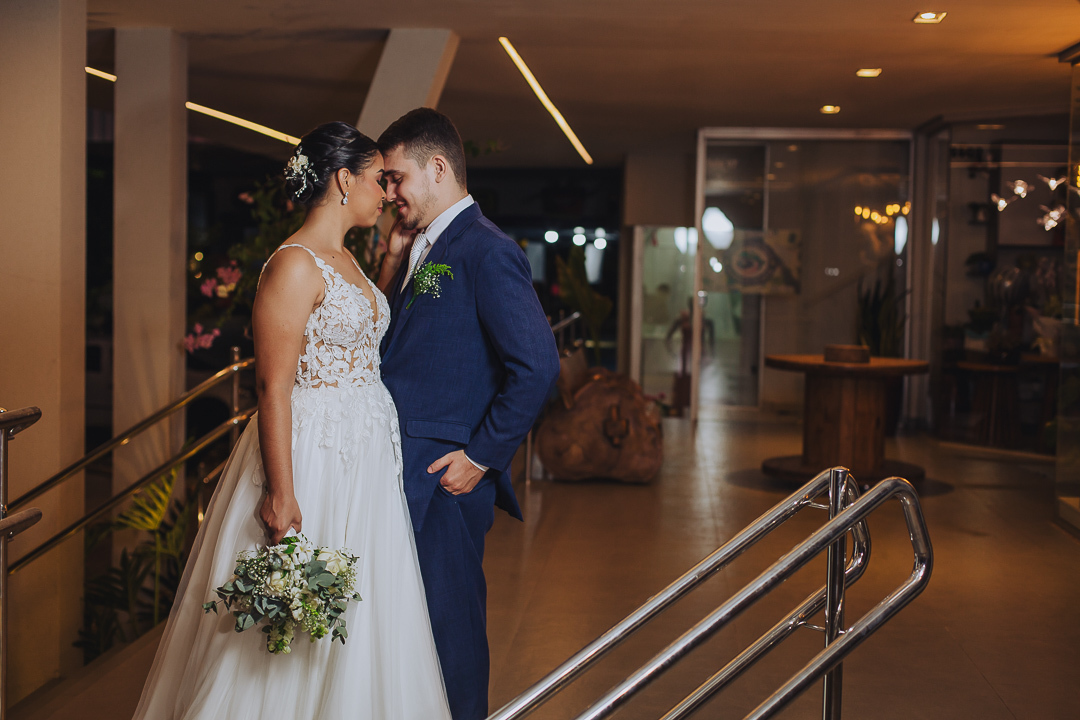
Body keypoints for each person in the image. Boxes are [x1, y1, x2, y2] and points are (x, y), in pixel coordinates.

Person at [132, 122, 452, 720]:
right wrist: (282, 492)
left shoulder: (347, 259)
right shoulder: (294, 265)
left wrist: (392, 265)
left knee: (360, 616)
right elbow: (272, 385)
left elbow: (356, 331)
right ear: (341, 180)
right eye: (377, 179)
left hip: (365, 463)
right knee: (292, 628)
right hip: (317, 459)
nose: (385, 192)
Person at [375, 108, 560, 720]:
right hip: (403, 473)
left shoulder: (485, 249)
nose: (389, 192)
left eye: (397, 178)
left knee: (451, 634)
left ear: (437, 168)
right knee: (409, 633)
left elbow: (536, 365)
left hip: (444, 482)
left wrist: (480, 458)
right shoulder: (426, 244)